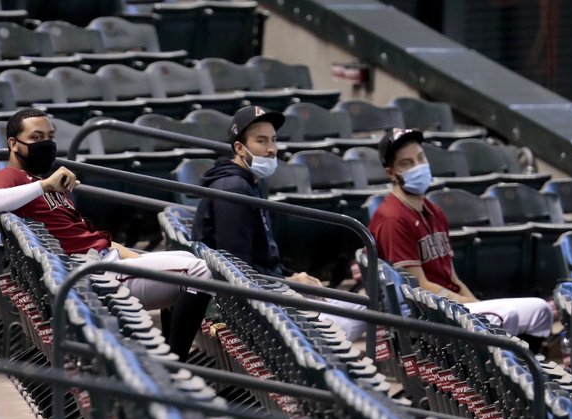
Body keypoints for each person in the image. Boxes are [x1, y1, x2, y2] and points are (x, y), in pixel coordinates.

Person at [0, 107, 213, 359]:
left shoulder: (41, 181)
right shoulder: (13, 176)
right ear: (13, 144)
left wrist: (136, 260)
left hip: (104, 259)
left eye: (50, 137)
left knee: (186, 261)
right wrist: (44, 186)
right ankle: (175, 367)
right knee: (199, 272)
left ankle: (169, 361)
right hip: (93, 275)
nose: (46, 143)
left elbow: (91, 236)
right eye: (36, 137)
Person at [191, 105, 366, 340]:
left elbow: (260, 258)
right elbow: (236, 269)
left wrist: (293, 279)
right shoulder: (233, 189)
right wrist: (288, 283)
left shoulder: (250, 183)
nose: (271, 149)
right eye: (261, 141)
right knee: (359, 318)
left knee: (365, 305)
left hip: (272, 288)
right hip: (257, 306)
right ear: (240, 148)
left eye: (273, 140)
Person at [369, 127, 553, 338]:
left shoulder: (434, 211)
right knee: (513, 313)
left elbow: (452, 278)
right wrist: (473, 305)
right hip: (429, 312)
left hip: (451, 305)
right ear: (391, 173)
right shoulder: (393, 218)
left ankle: (522, 365)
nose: (418, 167)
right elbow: (418, 287)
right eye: (406, 163)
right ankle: (504, 365)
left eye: (420, 158)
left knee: (540, 311)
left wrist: (474, 302)